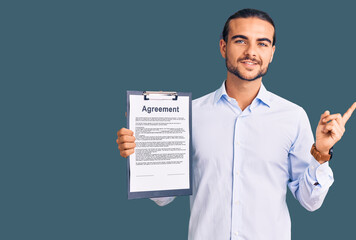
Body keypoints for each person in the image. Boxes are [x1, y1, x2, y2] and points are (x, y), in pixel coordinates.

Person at [116, 9, 356, 240]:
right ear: (223, 47)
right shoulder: (189, 114)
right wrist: (142, 154)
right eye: (241, 41)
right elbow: (164, 198)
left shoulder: (293, 116)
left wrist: (321, 153)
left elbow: (309, 202)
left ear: (272, 52)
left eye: (262, 43)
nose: (251, 52)